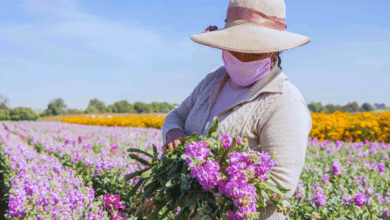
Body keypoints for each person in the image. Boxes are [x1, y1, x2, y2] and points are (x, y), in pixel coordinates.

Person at [161, 0, 312, 219]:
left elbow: (282, 183)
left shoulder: (284, 102)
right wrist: (173, 132)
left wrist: (210, 182)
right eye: (236, 47)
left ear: (274, 50)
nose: (242, 57)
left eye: (254, 51)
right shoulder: (214, 80)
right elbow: (177, 115)